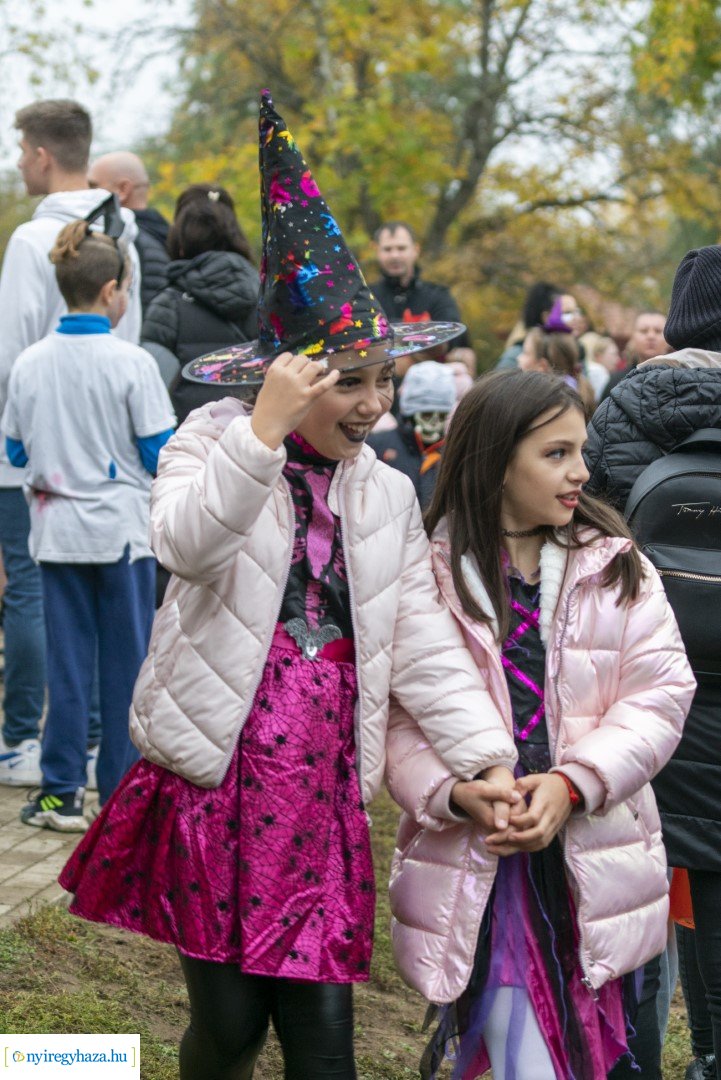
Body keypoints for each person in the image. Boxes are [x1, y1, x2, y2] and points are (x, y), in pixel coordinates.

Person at [59, 91, 518, 1080]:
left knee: (323, 1044)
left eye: (380, 381)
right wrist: (258, 438)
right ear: (288, 378)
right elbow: (183, 545)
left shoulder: (387, 492)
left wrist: (483, 757)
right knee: (226, 1032)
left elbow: (421, 640)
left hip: (318, 797)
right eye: (347, 381)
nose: (373, 403)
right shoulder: (212, 442)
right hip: (216, 783)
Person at [385, 370, 695, 1080]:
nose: (580, 472)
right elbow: (401, 715)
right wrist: (452, 792)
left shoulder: (616, 567)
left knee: (608, 1052)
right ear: (494, 461)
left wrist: (572, 783)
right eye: (555, 454)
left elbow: (659, 693)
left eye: (580, 451)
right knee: (526, 1054)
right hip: (482, 867)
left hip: (596, 857)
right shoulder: (427, 575)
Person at [585, 245, 721, 1079]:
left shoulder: (626, 403)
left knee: (641, 881)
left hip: (642, 684)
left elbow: (588, 526)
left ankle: (633, 1053)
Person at [2, 218, 175, 831]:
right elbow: (162, 454)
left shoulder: (28, 363)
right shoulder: (131, 363)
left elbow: (16, 452)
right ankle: (121, 798)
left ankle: (59, 794)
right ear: (112, 292)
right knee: (126, 666)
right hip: (122, 534)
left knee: (66, 666)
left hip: (55, 533)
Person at [0, 99, 141, 788]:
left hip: (35, 451)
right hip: (113, 462)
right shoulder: (126, 235)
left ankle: (25, 743)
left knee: (32, 599)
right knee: (113, 627)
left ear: (43, 154)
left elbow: (9, 354)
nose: (19, 160)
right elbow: (132, 343)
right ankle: (94, 752)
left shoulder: (30, 244)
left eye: (21, 148)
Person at [141, 184, 259, 422]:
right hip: (260, 438)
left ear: (180, 237)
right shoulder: (271, 299)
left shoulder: (168, 306)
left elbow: (150, 391)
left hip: (191, 445)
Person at [370, 221, 476, 375]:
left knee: (466, 356)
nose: (394, 255)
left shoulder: (438, 295)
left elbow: (453, 335)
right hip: (379, 381)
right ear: (377, 252)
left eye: (401, 248)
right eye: (387, 249)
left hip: (434, 381)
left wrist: (398, 340)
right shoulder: (367, 297)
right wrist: (421, 338)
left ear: (415, 250)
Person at [88, 150, 170, 314]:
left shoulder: (127, 240)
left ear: (122, 190)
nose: (87, 194)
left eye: (93, 186)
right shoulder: (168, 236)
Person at [368, 360, 456, 509]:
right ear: (411, 413)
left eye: (441, 415)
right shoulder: (375, 447)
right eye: (427, 415)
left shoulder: (456, 454)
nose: (434, 423)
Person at [518, 321, 596, 417]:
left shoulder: (549, 407)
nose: (519, 358)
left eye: (525, 353)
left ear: (542, 366)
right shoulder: (576, 391)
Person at [601, 311, 669, 400]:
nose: (651, 336)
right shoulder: (617, 382)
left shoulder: (680, 380)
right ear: (633, 336)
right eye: (644, 331)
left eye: (658, 331)